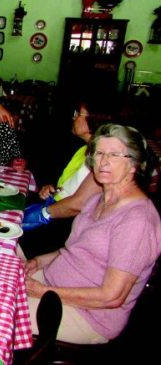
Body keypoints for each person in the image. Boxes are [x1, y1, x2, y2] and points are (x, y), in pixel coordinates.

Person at [25, 123, 161, 344]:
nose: (103, 161)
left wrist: (44, 291)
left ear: (134, 164)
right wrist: (39, 261)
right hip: (53, 284)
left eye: (115, 155)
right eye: (99, 153)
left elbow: (111, 296)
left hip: (88, 315)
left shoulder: (137, 220)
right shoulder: (100, 198)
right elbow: (77, 250)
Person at [20, 99, 115, 258]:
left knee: (11, 237)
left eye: (78, 114)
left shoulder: (102, 158)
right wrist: (51, 189)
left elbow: (78, 204)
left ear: (94, 119)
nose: (74, 117)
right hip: (56, 209)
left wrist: (43, 213)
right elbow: (70, 186)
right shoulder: (85, 150)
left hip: (68, 225)